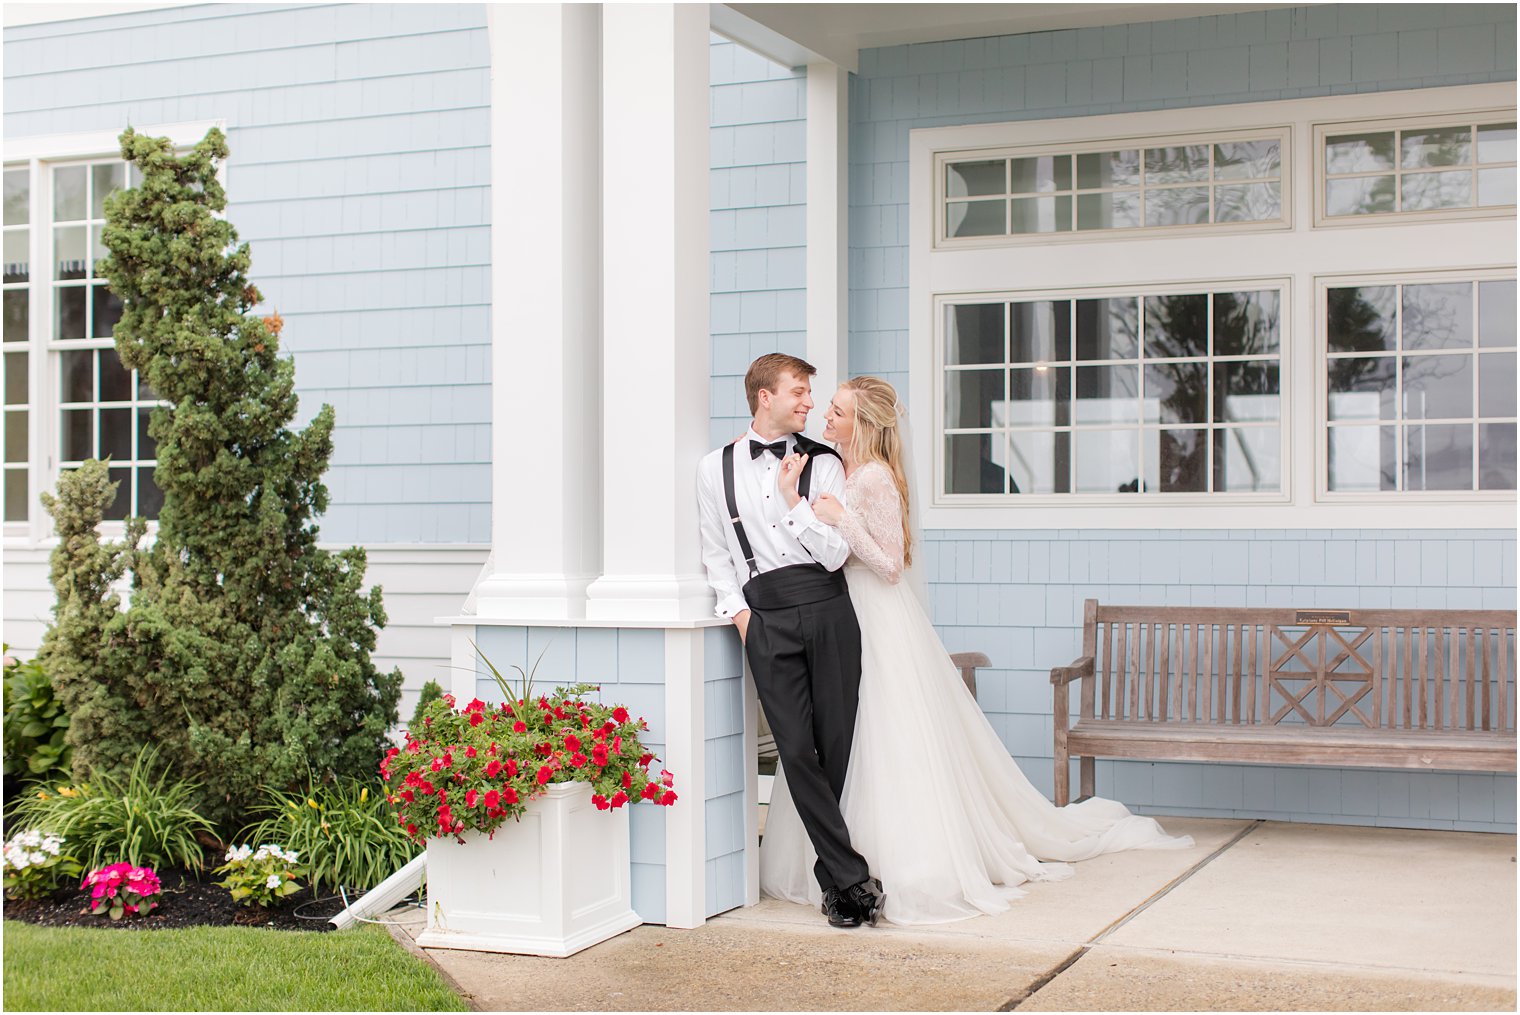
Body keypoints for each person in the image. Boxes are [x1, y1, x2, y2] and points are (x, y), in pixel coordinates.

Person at [759, 375, 1193, 926]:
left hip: (876, 618)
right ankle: (835, 860)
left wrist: (838, 518)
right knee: (844, 738)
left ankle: (899, 860)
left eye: (838, 412)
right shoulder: (842, 470)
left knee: (885, 737)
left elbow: (891, 565)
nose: (827, 418)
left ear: (863, 423)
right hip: (843, 613)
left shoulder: (872, 480)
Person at [695, 353, 886, 928]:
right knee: (795, 750)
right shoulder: (713, 469)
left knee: (834, 744)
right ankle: (850, 877)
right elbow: (715, 553)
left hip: (828, 610)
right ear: (764, 397)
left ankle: (836, 884)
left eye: (811, 394)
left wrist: (792, 503)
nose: (809, 403)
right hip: (765, 619)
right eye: (799, 392)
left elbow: (834, 554)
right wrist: (740, 617)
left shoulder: (825, 465)